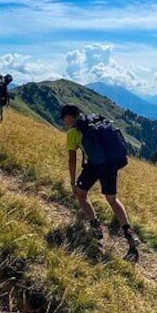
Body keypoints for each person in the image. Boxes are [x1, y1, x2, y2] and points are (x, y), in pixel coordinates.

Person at [60, 104, 139, 261]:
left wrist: (72, 182)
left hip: (94, 166)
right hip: (111, 166)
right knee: (112, 199)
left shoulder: (74, 132)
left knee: (81, 195)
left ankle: (95, 226)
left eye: (63, 118)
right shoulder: (96, 121)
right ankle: (129, 233)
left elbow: (72, 159)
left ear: (69, 117)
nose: (63, 121)